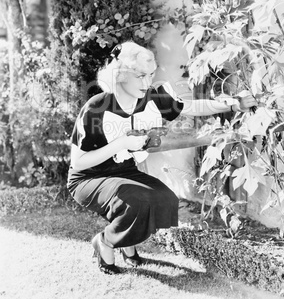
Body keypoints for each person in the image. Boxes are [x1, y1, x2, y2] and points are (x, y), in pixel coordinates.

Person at [67, 41, 257, 275]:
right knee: (136, 200)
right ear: (121, 74)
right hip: (88, 177)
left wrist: (233, 103)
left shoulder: (152, 98)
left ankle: (127, 243)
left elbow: (192, 106)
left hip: (124, 172)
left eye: (150, 75)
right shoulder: (96, 107)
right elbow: (79, 162)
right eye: (139, 76)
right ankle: (105, 242)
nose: (146, 83)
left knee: (165, 200)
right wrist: (121, 143)